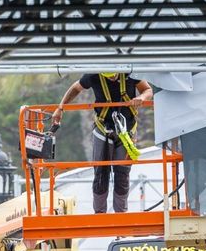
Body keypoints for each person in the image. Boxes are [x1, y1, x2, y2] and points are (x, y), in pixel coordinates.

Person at [50, 72, 154, 214]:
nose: (111, 78)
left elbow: (147, 90)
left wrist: (141, 97)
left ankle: (121, 216)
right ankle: (99, 214)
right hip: (102, 128)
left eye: (113, 76)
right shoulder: (93, 75)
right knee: (100, 174)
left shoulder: (130, 72)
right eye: (108, 76)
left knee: (122, 174)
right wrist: (60, 108)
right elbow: (75, 88)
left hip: (127, 130)